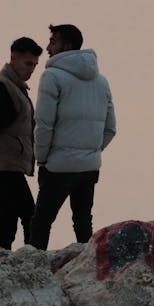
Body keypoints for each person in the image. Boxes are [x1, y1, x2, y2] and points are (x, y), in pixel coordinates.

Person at [29, 24, 116, 251]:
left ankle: (34, 272)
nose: (47, 47)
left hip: (58, 165)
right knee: (83, 223)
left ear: (67, 46)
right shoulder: (101, 81)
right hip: (89, 166)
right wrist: (91, 151)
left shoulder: (51, 76)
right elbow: (110, 129)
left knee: (41, 222)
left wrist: (42, 158)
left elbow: (44, 125)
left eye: (53, 42)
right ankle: (89, 271)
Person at [0, 36, 43, 250]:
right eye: (27, 63)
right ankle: (31, 259)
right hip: (5, 162)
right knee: (30, 214)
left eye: (34, 65)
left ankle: (0, 253)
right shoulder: (1, 84)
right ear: (13, 59)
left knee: (8, 216)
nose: (31, 69)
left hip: (10, 162)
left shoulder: (15, 86)